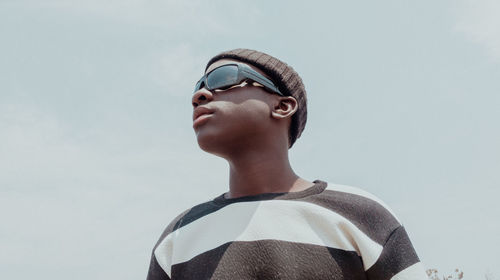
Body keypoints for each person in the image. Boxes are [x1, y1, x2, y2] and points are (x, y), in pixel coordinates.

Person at [146, 49, 427, 280]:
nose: (200, 95)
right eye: (198, 87)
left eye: (223, 78)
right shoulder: (179, 235)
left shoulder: (362, 215)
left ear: (282, 106)